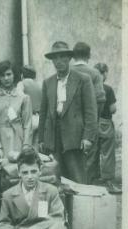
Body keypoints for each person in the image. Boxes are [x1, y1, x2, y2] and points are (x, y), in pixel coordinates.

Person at [38, 41, 98, 184]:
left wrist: (88, 137)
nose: (58, 62)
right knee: (55, 177)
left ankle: (79, 205)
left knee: (77, 178)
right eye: (55, 58)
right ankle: (60, 206)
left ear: (69, 58)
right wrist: (41, 139)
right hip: (53, 137)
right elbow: (43, 113)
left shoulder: (83, 79)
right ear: (52, 61)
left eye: (62, 57)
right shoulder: (48, 82)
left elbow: (91, 111)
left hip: (75, 137)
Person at [0, 60, 32, 161]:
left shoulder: (23, 97)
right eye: (2, 75)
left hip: (18, 139)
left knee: (17, 170)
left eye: (9, 74)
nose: (6, 78)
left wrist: (26, 145)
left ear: (14, 75)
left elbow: (27, 124)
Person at [72, 42, 106, 184]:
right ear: (89, 55)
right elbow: (100, 100)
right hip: (89, 125)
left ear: (73, 56)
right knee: (89, 160)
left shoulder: (67, 71)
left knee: (71, 160)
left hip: (69, 126)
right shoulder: (94, 73)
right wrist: (94, 121)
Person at [94, 63, 121, 194]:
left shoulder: (89, 87)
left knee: (93, 152)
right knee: (108, 153)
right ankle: (108, 183)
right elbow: (113, 109)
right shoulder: (107, 89)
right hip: (105, 123)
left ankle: (94, 180)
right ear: (103, 73)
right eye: (106, 72)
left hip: (92, 123)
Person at [17, 65, 42, 149]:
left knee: (26, 146)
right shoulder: (39, 84)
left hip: (29, 119)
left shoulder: (21, 84)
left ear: (22, 75)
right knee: (35, 147)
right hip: (39, 118)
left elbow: (18, 100)